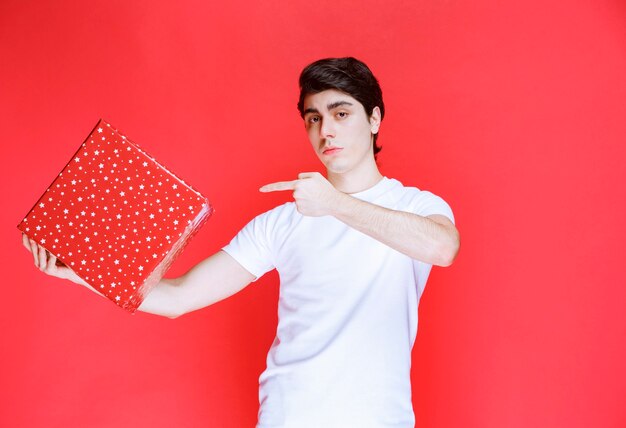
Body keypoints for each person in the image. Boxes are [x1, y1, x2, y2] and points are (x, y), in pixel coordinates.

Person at [23, 57, 460, 428]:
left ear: (375, 118)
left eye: (341, 113)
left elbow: (442, 248)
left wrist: (335, 204)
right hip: (288, 416)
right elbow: (179, 297)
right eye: (314, 117)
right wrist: (85, 275)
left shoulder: (417, 206)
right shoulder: (281, 222)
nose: (326, 130)